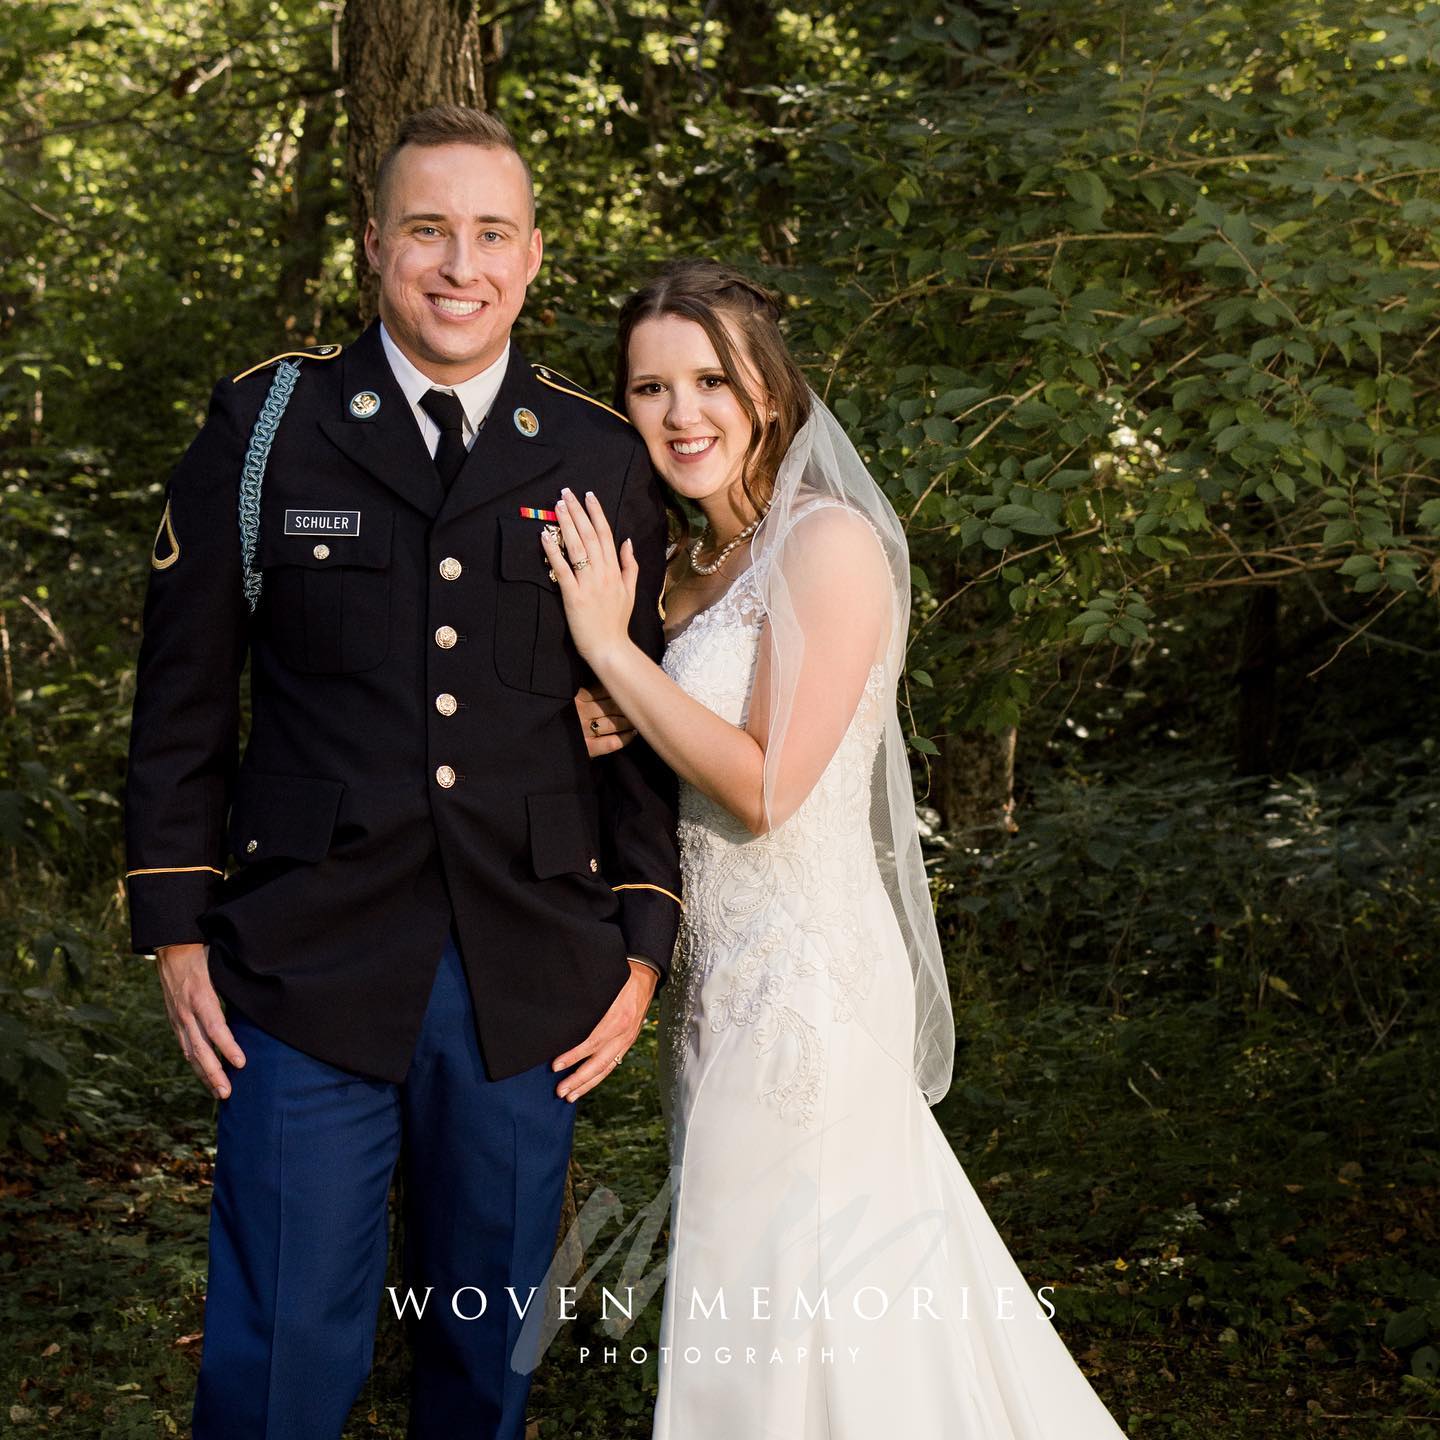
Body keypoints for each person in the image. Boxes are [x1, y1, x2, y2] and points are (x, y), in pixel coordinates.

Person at [122, 105, 681, 1440]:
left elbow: (640, 721)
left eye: (490, 234)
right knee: (275, 1367)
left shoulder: (598, 453)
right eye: (428, 229)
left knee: (486, 1364)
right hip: (302, 959)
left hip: (528, 966)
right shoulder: (271, 429)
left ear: (534, 256)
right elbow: (182, 702)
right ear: (376, 244)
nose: (458, 264)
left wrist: (644, 945)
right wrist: (173, 931)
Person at [541, 259, 1131, 1438]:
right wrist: (608, 720)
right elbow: (678, 757)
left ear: (768, 387)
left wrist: (613, 661)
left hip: (807, 991)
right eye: (649, 389)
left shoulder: (831, 545)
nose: (681, 413)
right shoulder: (682, 571)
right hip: (722, 989)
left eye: (710, 379)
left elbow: (766, 785)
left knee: (794, 1311)